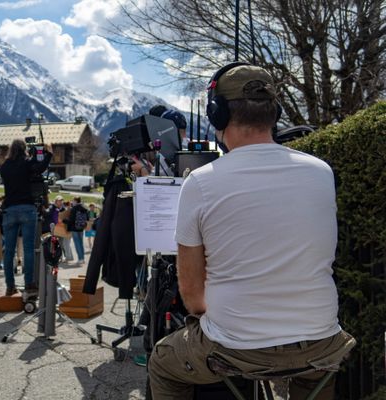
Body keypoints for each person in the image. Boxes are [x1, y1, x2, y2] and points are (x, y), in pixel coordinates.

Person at [148, 64, 356, 399]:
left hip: (235, 346)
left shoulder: (200, 183)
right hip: (321, 342)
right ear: (275, 112)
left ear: (216, 114)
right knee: (313, 377)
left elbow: (192, 294)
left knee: (162, 361)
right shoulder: (321, 172)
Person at [0, 139, 52, 296]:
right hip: (27, 208)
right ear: (24, 150)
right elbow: (40, 168)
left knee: (9, 251)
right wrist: (48, 153)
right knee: (28, 249)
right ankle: (29, 284)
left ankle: (10, 286)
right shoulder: (27, 163)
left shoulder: (4, 167)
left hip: (9, 209)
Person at [64, 196, 88, 264]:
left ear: (76, 201)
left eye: (73, 201)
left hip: (74, 228)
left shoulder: (74, 208)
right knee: (81, 243)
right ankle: (82, 258)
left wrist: (64, 220)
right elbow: (87, 218)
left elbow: (71, 220)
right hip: (81, 227)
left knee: (77, 244)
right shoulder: (84, 208)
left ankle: (80, 259)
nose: (72, 202)